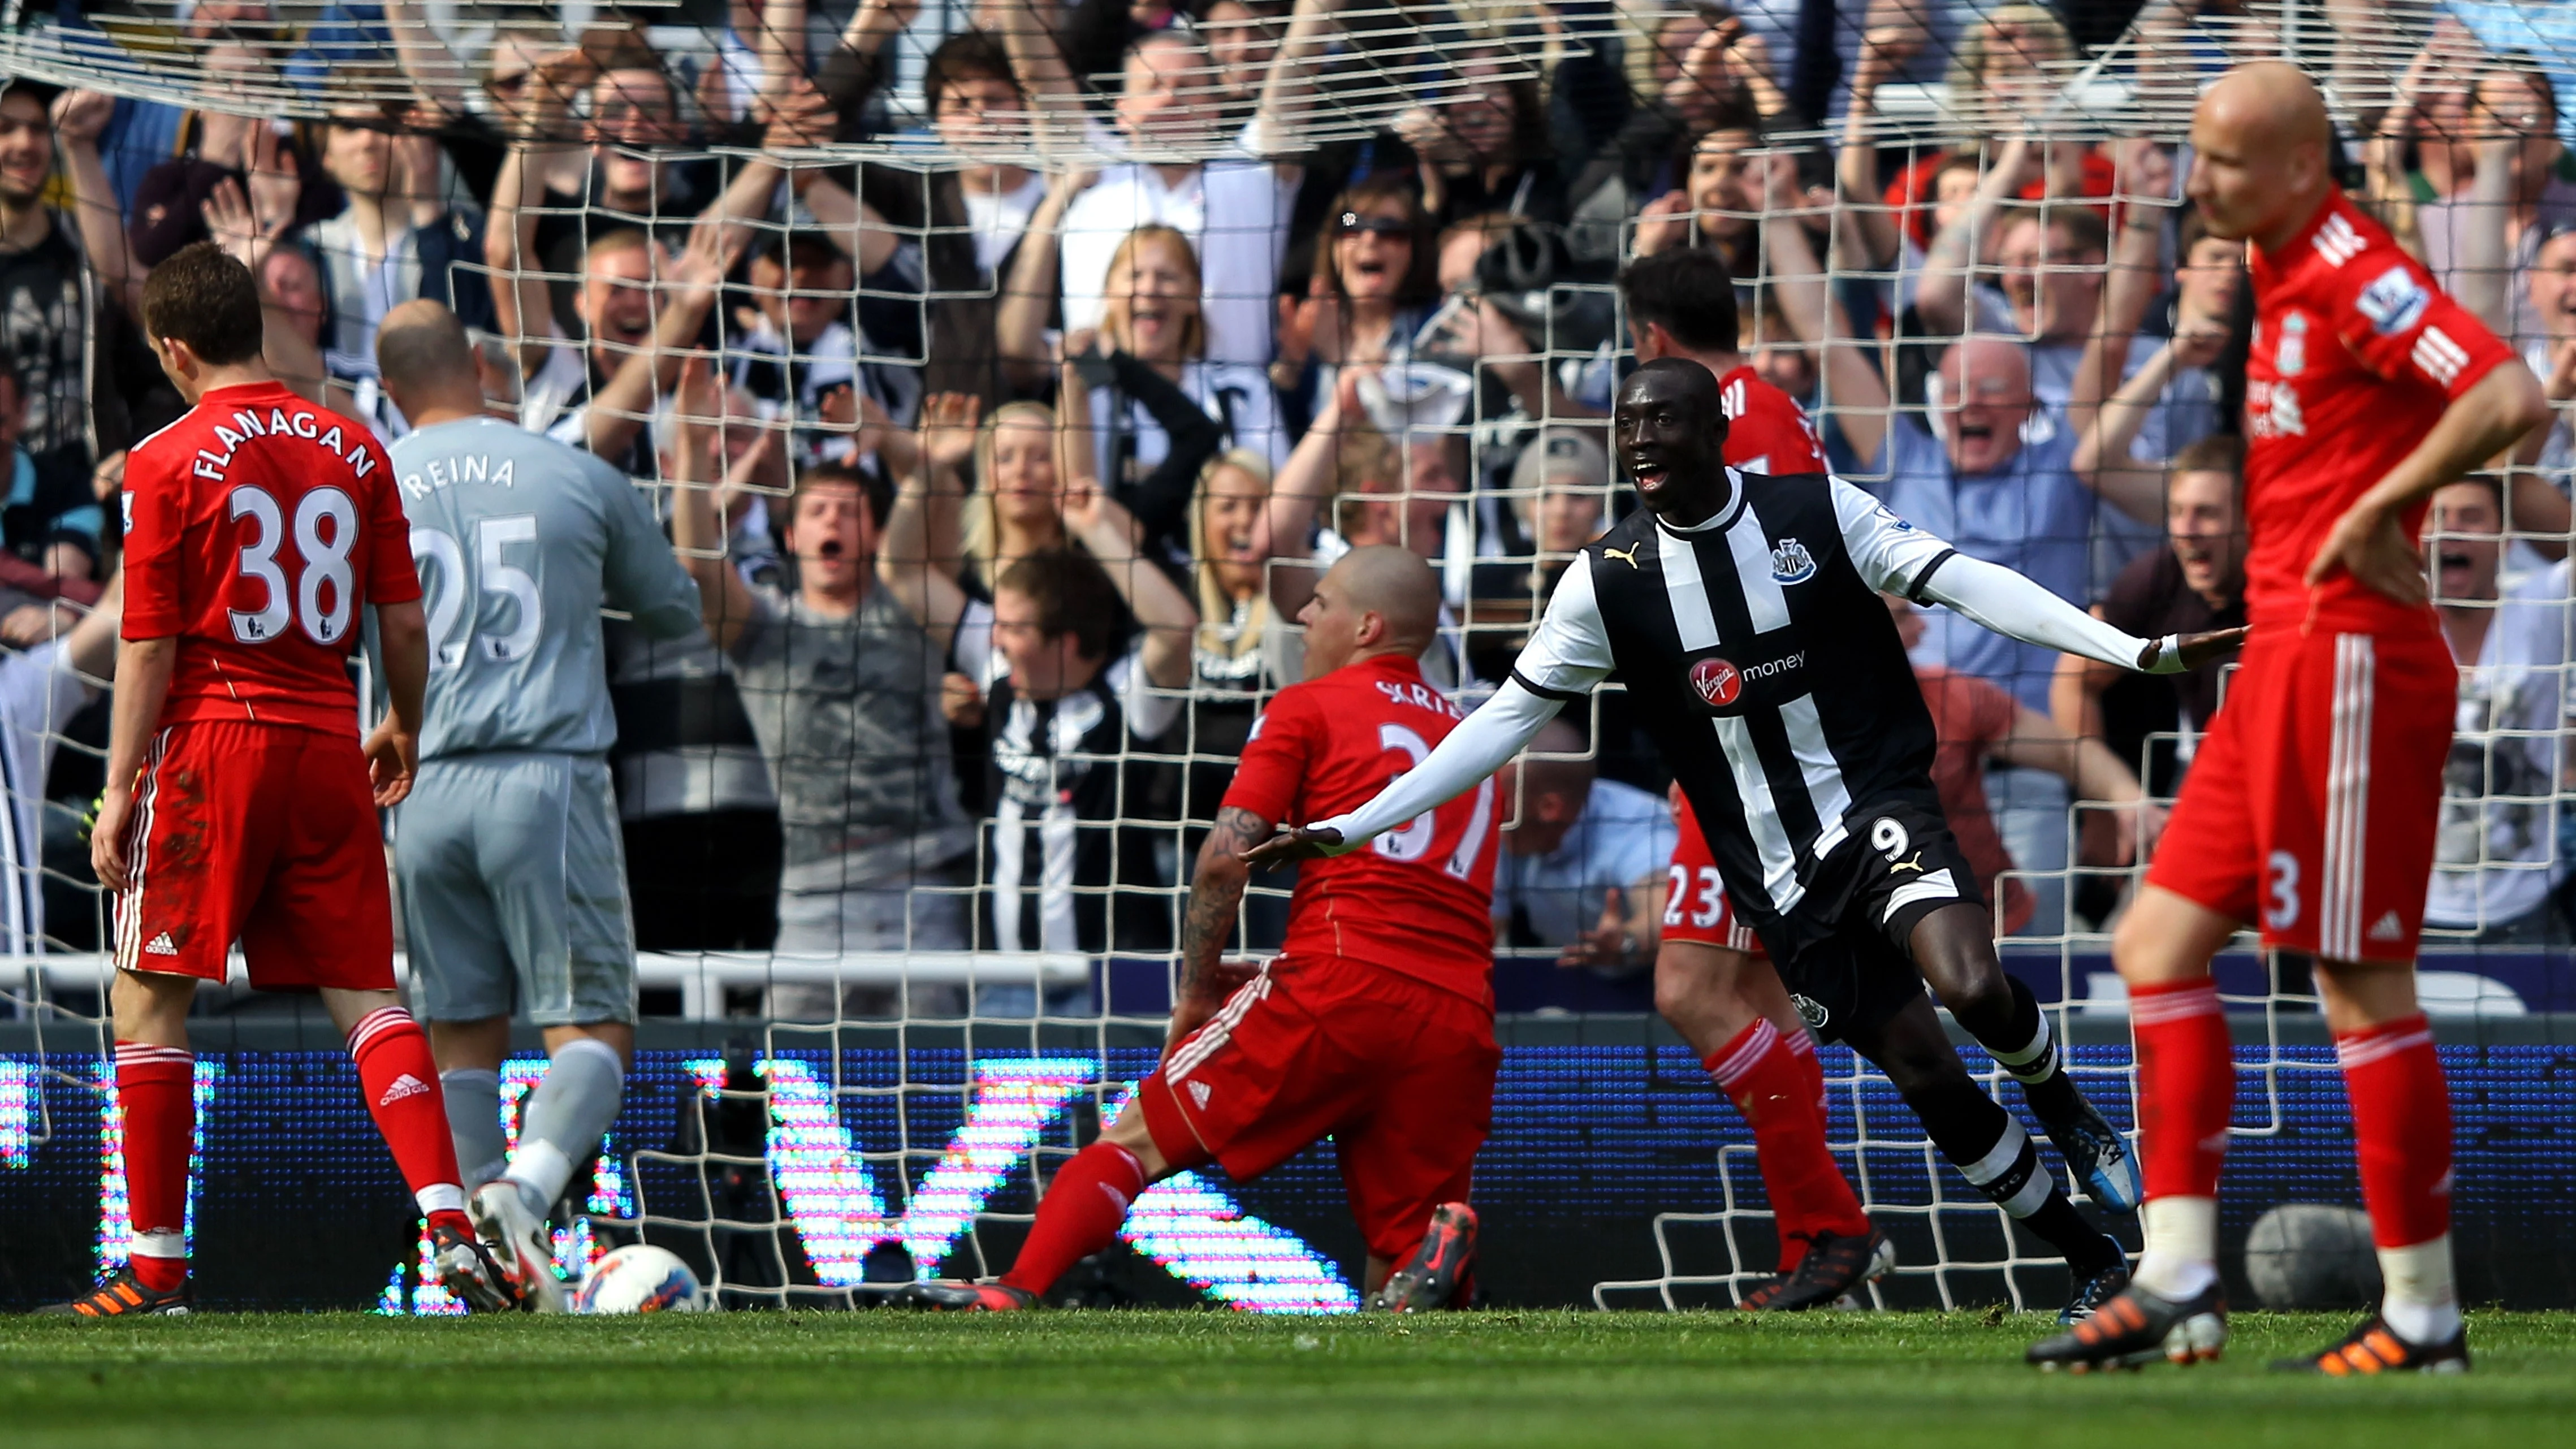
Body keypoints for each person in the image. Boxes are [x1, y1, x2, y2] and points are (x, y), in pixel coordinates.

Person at [1250, 360, 2250, 1317]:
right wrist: (1351, 825)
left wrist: (2132, 651)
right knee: (1924, 1074)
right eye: (1628, 423)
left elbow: (1965, 580)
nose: (1641, 438)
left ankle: (2061, 1101)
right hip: (1776, 876)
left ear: (1715, 431)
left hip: (1876, 805)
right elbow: (1501, 721)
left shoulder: (1816, 511)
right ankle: (2089, 1257)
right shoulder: (1607, 580)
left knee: (1973, 984)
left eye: (1663, 418)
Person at [2028, 63, 2552, 1376]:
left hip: (2354, 661)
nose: (2198, 181)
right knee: (2152, 943)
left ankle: (2422, 1317)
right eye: (2196, 157)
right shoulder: (2268, 261)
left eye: (2222, 162)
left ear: (2301, 168)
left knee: (2354, 981)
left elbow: (2506, 396)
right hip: (2279, 659)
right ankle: (2176, 1282)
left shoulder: (2351, 269)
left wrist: (2378, 508)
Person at [55, 243, 512, 1315]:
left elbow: (149, 643)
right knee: (369, 992)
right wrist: (404, 722)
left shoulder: (166, 455)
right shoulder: (357, 444)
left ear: (175, 350)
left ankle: (156, 1265)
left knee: (147, 993)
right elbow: (404, 621)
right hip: (326, 737)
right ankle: (449, 1218)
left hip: (213, 743)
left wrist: (119, 786)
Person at [899, 546, 1502, 1312]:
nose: (1302, 615)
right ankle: (1434, 1261)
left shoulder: (1306, 705)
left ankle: (1017, 1286)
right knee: (1400, 1257)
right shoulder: (1475, 739)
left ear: (1367, 626)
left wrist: (1194, 993)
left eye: (1320, 602)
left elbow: (1225, 860)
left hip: (1335, 985)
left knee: (1131, 1140)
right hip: (1456, 1014)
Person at [373, 300, 703, 1311]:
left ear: (388, 390)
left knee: (461, 1034)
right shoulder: (571, 470)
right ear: (481, 364)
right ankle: (520, 1193)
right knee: (593, 1029)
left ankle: (480, 1253)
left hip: (418, 787)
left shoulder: (365, 479)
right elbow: (674, 609)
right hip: (546, 776)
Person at [2420, 478, 2569, 942]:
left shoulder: (2543, 609)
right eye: (2438, 517)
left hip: (2525, 912)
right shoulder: (2392, 621)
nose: (2452, 529)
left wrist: (2504, 452)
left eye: (2471, 517)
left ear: (2505, 539)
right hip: (2411, 909)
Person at [1489, 718, 1674, 972]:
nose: (1487, 806)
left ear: (1549, 808)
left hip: (1646, 982)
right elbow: (1485, 926)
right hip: (1557, 976)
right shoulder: (1504, 823)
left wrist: (1626, 941)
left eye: (1497, 797)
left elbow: (1667, 913)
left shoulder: (1639, 828)